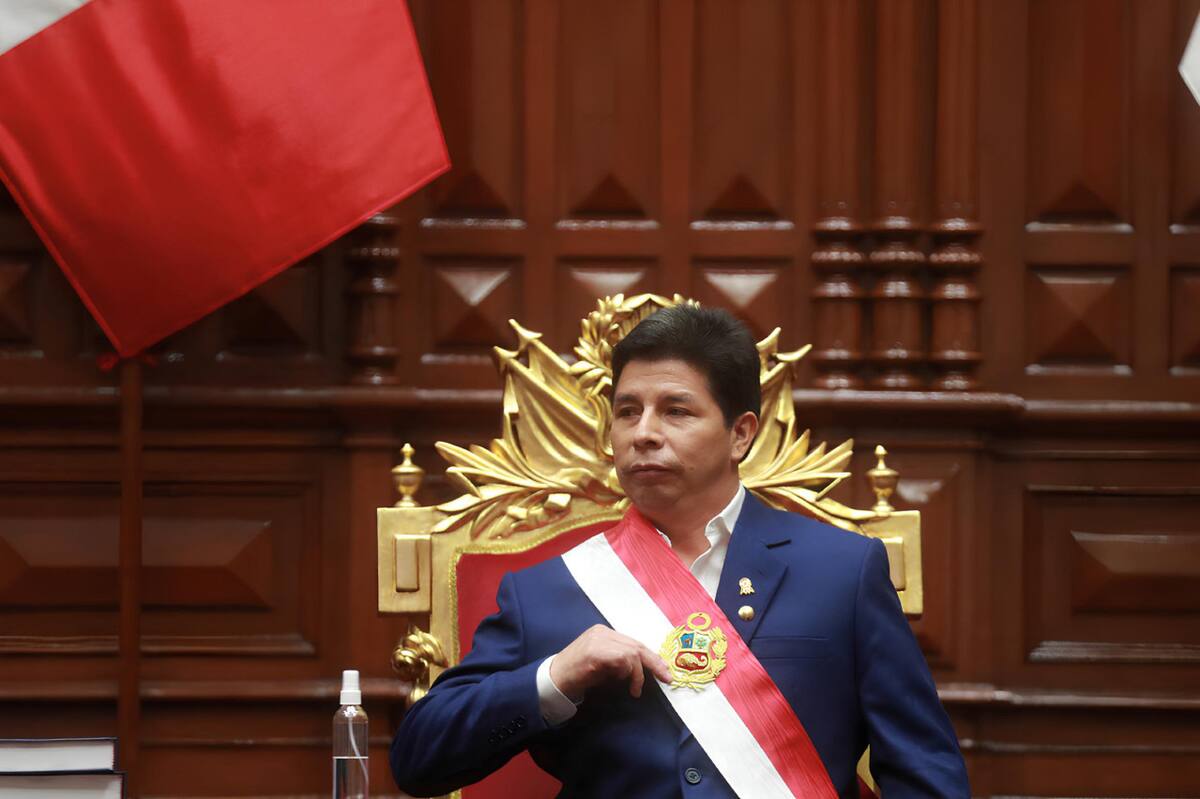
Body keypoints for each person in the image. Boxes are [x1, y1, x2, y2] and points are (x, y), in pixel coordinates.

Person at [391, 305, 969, 798]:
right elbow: (419, 759)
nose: (643, 432)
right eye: (627, 411)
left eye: (676, 410)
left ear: (740, 434)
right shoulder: (545, 588)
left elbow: (923, 771)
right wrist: (555, 677)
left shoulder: (842, 570)